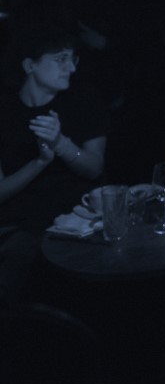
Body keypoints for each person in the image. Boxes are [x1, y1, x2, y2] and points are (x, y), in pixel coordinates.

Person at [0, 23, 108, 303]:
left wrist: (61, 143)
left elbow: (94, 168)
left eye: (73, 59)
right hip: (21, 219)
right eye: (60, 59)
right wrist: (40, 161)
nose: (70, 68)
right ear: (30, 65)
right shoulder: (5, 112)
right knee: (21, 253)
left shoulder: (83, 100)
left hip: (74, 212)